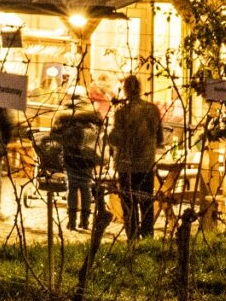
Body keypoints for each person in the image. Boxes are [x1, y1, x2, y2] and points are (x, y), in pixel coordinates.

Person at [109, 73, 165, 240]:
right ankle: (148, 238)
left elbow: (116, 138)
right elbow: (160, 138)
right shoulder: (152, 109)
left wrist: (108, 136)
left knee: (129, 204)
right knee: (146, 203)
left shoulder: (121, 111)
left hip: (126, 165)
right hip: (146, 163)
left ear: (125, 90)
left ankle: (132, 238)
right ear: (140, 89)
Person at [50, 86, 105, 232]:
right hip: (87, 157)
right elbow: (100, 131)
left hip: (71, 156)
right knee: (85, 188)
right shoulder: (91, 113)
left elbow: (55, 134)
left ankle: (72, 221)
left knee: (72, 188)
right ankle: (85, 222)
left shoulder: (64, 114)